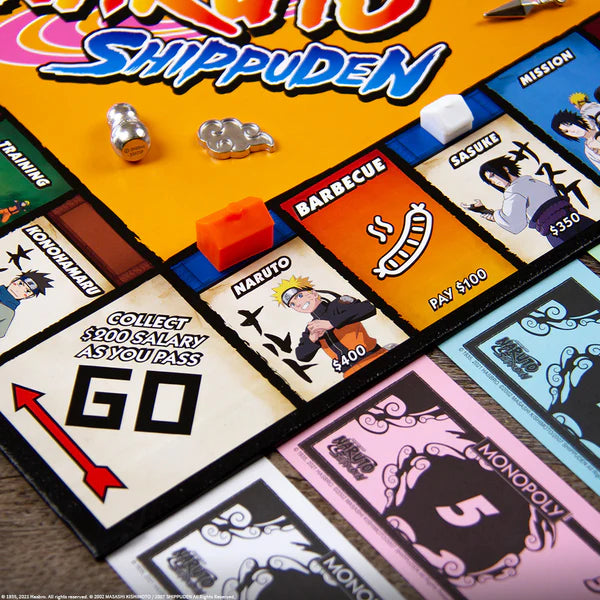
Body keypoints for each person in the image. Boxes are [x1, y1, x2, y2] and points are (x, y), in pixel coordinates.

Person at [462, 156, 593, 247]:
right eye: (490, 181)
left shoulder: (514, 190)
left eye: (492, 175)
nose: (494, 181)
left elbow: (515, 224)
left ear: (505, 168)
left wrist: (485, 211)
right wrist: (489, 213)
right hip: (579, 220)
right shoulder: (532, 181)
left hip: (559, 233)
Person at [272, 275, 386, 377]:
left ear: (314, 294)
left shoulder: (338, 304)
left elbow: (368, 308)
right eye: (292, 304)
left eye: (299, 296)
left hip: (376, 357)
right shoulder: (311, 328)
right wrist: (312, 339)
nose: (297, 303)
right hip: (350, 373)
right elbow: (301, 355)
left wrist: (332, 323)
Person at [0, 270, 53, 338]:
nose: (19, 290)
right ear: (14, 280)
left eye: (27, 291)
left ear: (29, 296)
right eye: (20, 284)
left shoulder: (8, 312)